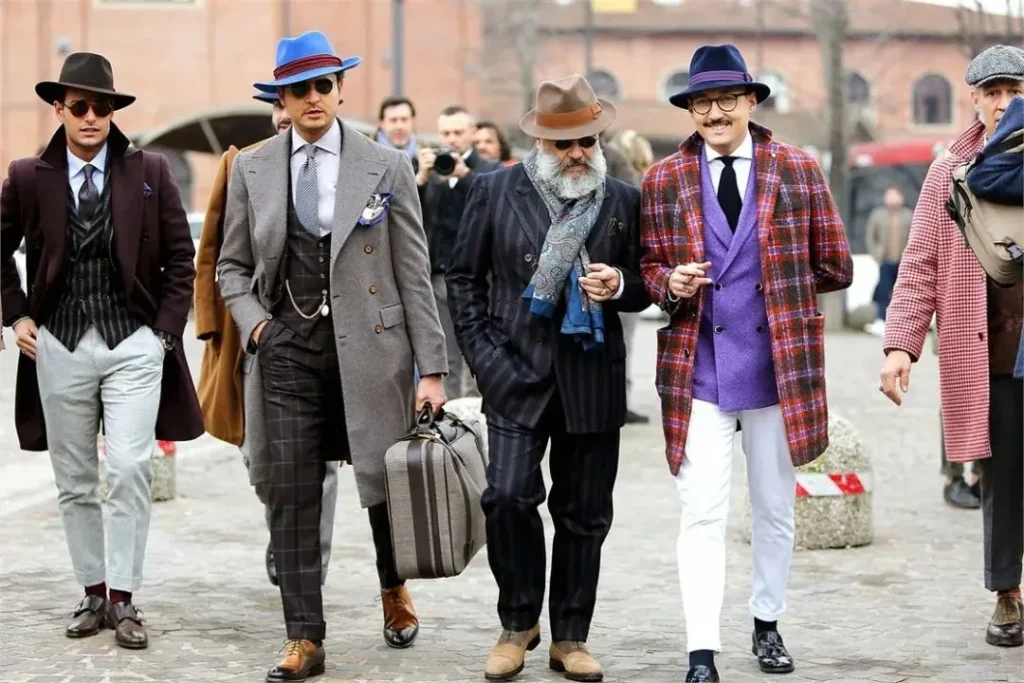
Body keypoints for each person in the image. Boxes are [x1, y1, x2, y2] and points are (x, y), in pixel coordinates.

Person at [216, 31, 448, 681]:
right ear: (281, 100)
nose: (312, 97)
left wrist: (432, 369)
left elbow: (414, 272)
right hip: (286, 348)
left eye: (323, 85)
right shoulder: (251, 167)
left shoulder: (385, 164)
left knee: (380, 482)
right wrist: (257, 328)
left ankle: (393, 586)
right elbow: (231, 267)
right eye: (298, 89)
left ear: (341, 89)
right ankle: (304, 636)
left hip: (372, 347)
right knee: (291, 490)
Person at [640, 44, 853, 683]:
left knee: (774, 508)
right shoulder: (662, 179)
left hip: (776, 368)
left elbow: (836, 264)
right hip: (699, 368)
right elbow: (648, 266)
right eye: (702, 103)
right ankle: (701, 652)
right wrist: (670, 284)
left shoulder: (798, 168)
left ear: (752, 102)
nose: (715, 113)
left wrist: (780, 289)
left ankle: (767, 623)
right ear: (690, 111)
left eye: (727, 100)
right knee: (702, 512)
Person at [447, 73, 649, 683]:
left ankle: (570, 636)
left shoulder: (623, 199)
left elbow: (645, 283)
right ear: (540, 143)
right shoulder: (494, 190)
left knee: (584, 515)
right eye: (564, 144)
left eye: (587, 141)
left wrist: (619, 285)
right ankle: (517, 624)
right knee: (507, 497)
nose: (578, 153)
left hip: (593, 376)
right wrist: (486, 361)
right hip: (513, 371)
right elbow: (463, 280)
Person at [0, 52, 203, 649]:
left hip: (133, 342)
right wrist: (16, 315)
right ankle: (92, 591)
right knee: (75, 478)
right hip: (59, 344)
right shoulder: (26, 175)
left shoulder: (150, 169)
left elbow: (181, 258)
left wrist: (162, 335)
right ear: (58, 109)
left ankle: (124, 598)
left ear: (114, 112)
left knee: (131, 467)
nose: (92, 117)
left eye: (103, 107)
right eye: (80, 106)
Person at [880, 45, 1024, 649]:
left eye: (1014, 91)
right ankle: (1007, 594)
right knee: (1003, 479)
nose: (1003, 103)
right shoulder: (950, 173)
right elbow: (920, 265)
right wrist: (900, 346)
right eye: (993, 92)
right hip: (992, 354)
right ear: (973, 99)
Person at [194, 88, 340, 587]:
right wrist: (220, 326)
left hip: (322, 336)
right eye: (277, 105)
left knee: (320, 460)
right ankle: (285, 532)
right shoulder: (243, 164)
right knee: (259, 458)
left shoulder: (339, 162)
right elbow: (214, 250)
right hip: (253, 336)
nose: (285, 113)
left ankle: (308, 566)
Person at [417, 105, 502, 399]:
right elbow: (410, 216)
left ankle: (486, 417)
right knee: (444, 358)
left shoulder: (490, 169)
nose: (451, 139)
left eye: (458, 132)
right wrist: (420, 178)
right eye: (445, 133)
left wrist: (465, 175)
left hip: (482, 279)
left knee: (483, 354)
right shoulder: (430, 173)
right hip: (440, 277)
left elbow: (497, 208)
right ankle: (451, 420)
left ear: (472, 133)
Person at [610, 129, 656, 425]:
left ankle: (616, 399)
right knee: (625, 340)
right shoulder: (639, 187)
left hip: (618, 274)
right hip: (627, 274)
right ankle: (620, 400)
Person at [864, 185, 911, 335]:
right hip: (885, 260)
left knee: (902, 292)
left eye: (895, 195)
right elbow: (871, 237)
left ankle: (902, 323)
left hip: (904, 261)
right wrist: (876, 254)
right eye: (889, 195)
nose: (892, 198)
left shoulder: (909, 215)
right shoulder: (878, 215)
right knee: (883, 291)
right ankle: (880, 320)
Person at [375, 95, 419, 169]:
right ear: (381, 123)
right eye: (393, 120)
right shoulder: (366, 155)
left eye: (404, 119)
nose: (399, 126)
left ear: (413, 121)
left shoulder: (428, 156)